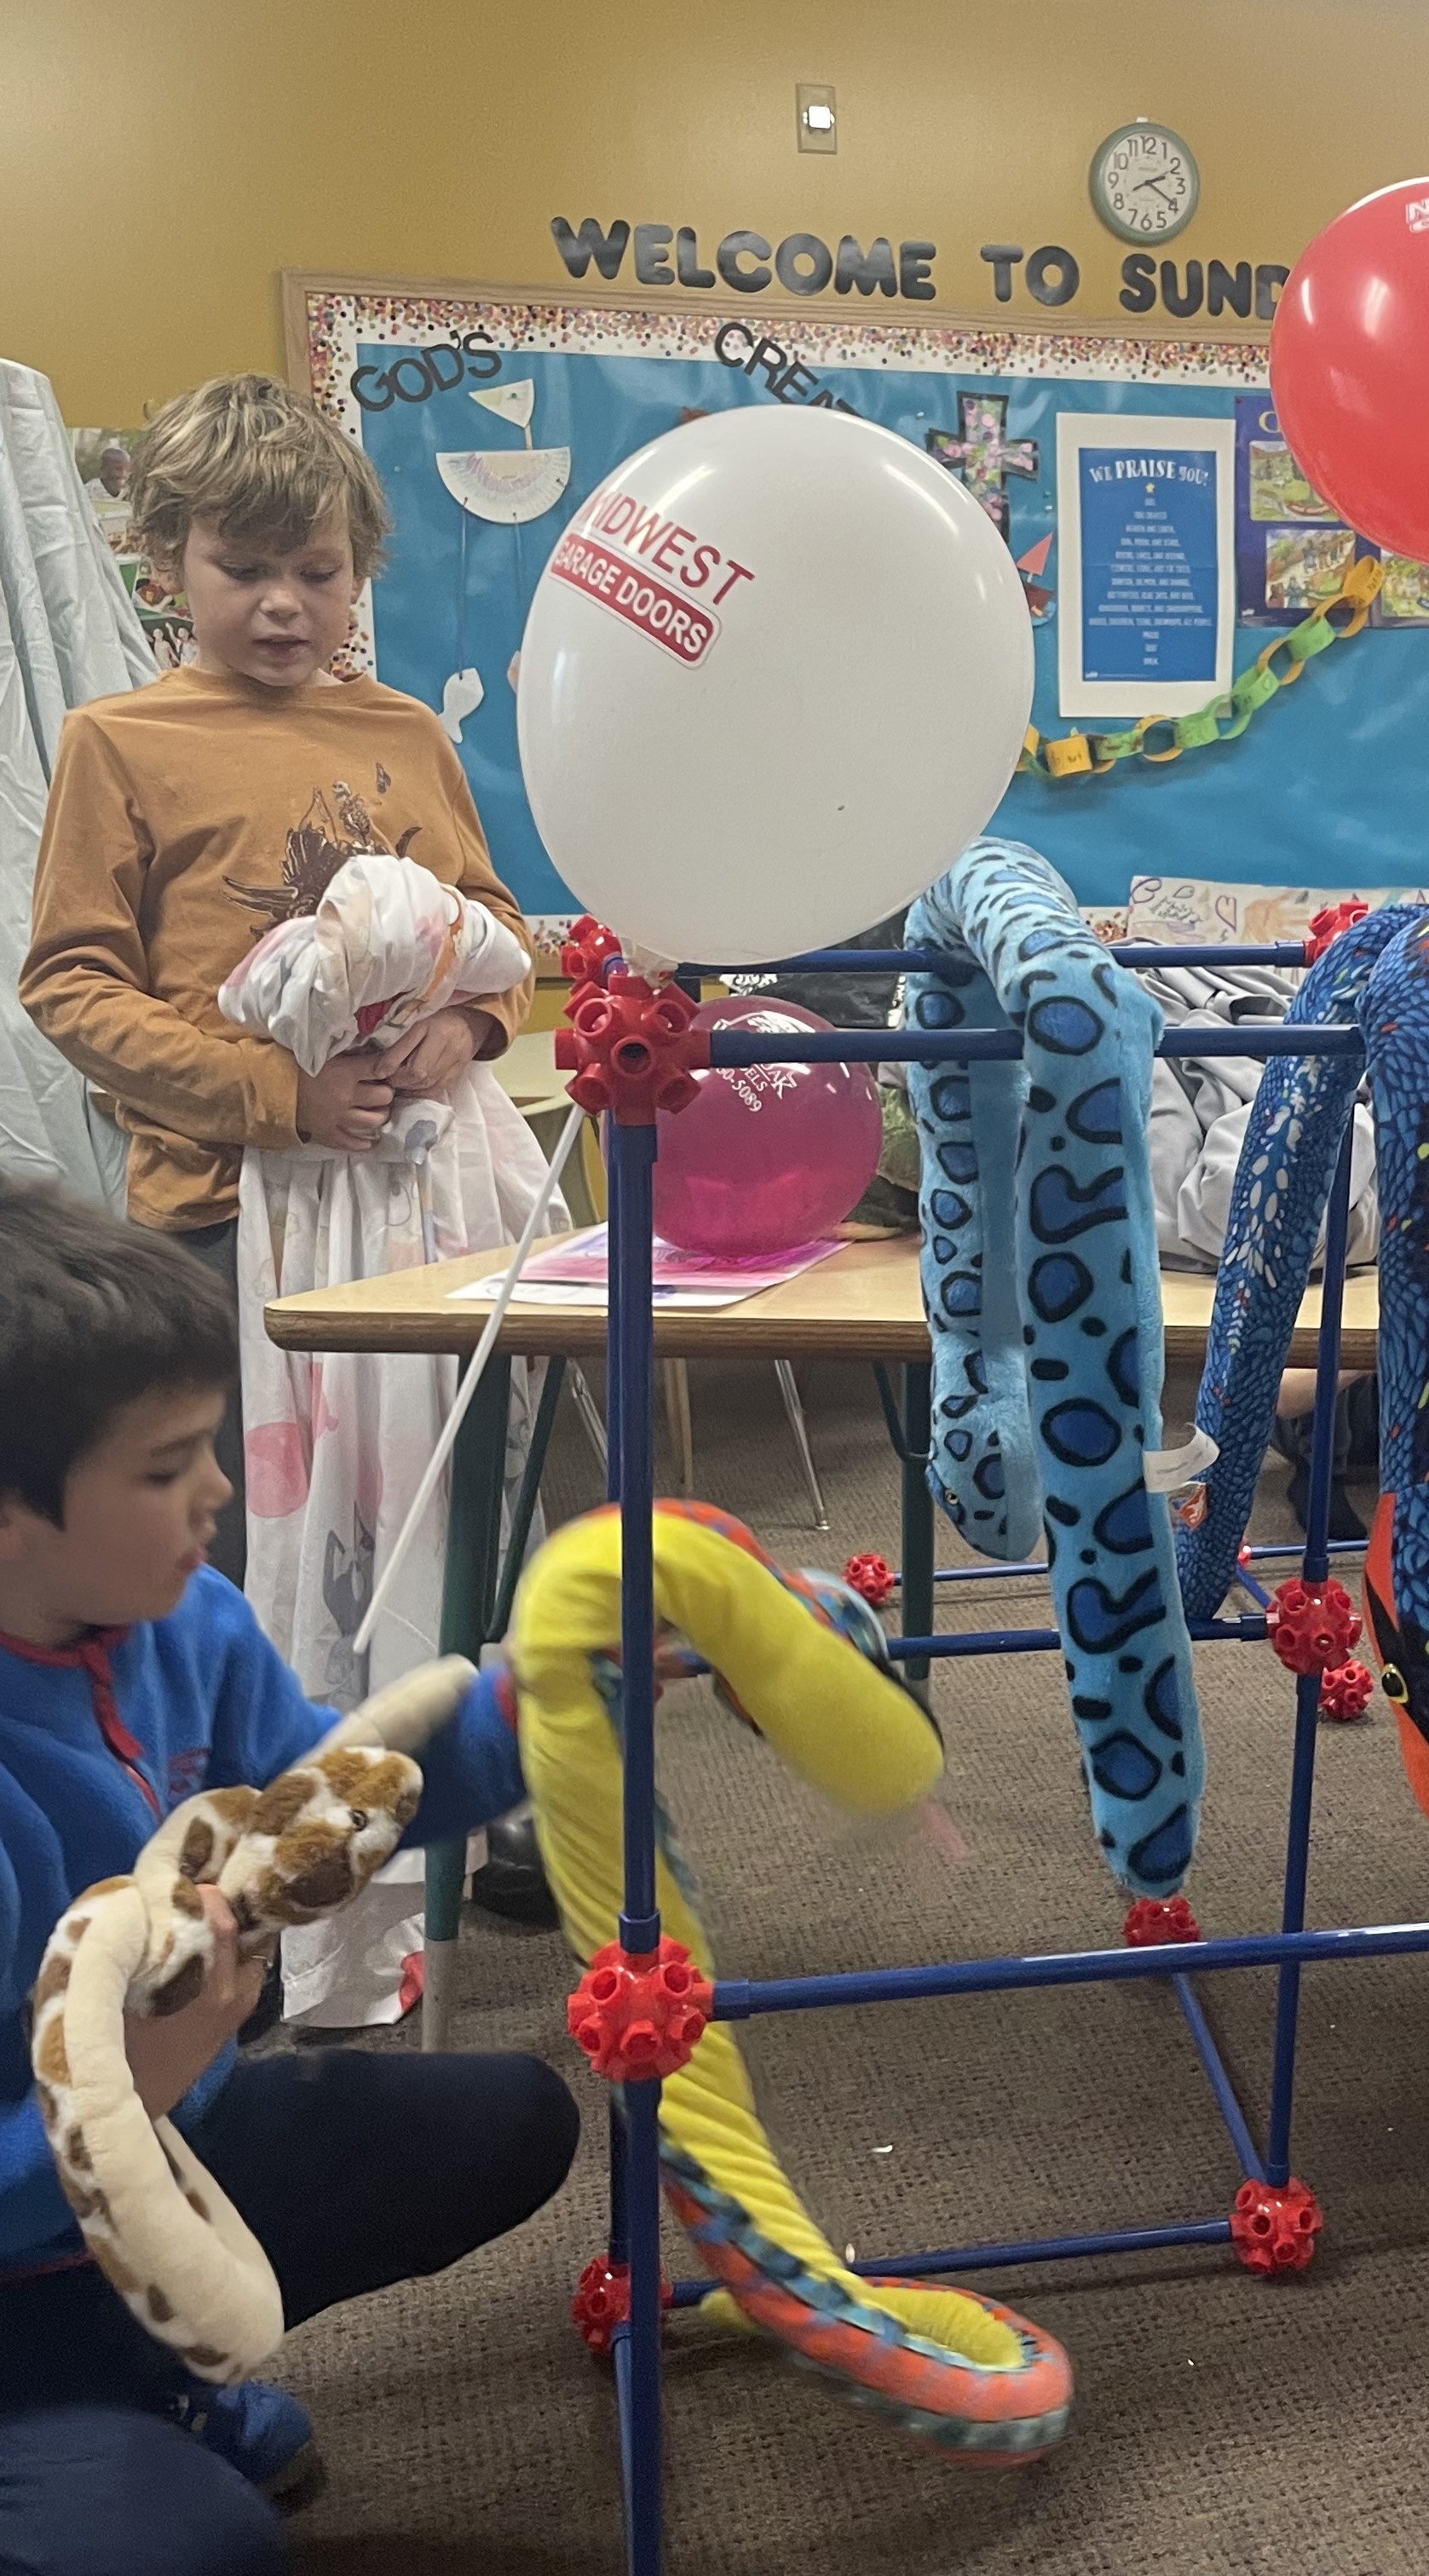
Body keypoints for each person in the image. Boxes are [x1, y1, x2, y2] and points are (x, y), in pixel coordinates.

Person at [0, 1180, 576, 2575]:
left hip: (158, 2170)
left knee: (510, 2118)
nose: (216, 1490)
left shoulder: (173, 1610)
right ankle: (81, 2414)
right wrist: (128, 2083)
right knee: (193, 2542)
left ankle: (142, 2377)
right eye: (164, 1467)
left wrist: (561, 1689)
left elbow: (337, 1800)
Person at [19, 376, 535, 1592]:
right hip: (217, 1210)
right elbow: (73, 986)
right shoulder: (119, 742)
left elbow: (495, 922)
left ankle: (443, 1753)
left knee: (436, 1515)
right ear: (166, 564)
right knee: (243, 1539)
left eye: (316, 570)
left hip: (418, 1200)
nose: (282, 605)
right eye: (242, 569)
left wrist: (468, 1022)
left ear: (359, 570)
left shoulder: (407, 731)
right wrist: (275, 1092)